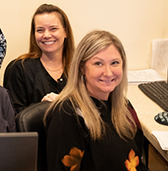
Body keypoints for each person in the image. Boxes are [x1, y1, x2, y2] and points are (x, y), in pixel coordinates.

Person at [45, 30, 148, 171]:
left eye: (115, 63)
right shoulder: (68, 114)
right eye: (98, 64)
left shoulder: (124, 107)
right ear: (82, 67)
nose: (108, 72)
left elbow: (137, 164)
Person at [3, 4, 74, 113]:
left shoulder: (81, 68)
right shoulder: (20, 68)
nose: (46, 35)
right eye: (40, 30)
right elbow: (13, 117)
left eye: (53, 29)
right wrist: (39, 109)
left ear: (65, 32)